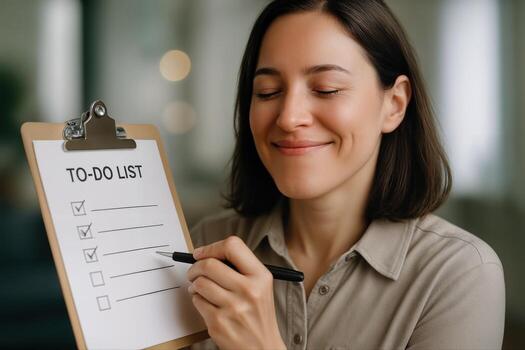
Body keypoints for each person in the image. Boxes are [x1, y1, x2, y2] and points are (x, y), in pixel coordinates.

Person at [185, 0, 505, 349]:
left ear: (394, 104)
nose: (288, 118)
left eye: (326, 89)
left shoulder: (459, 274)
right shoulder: (207, 245)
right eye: (268, 92)